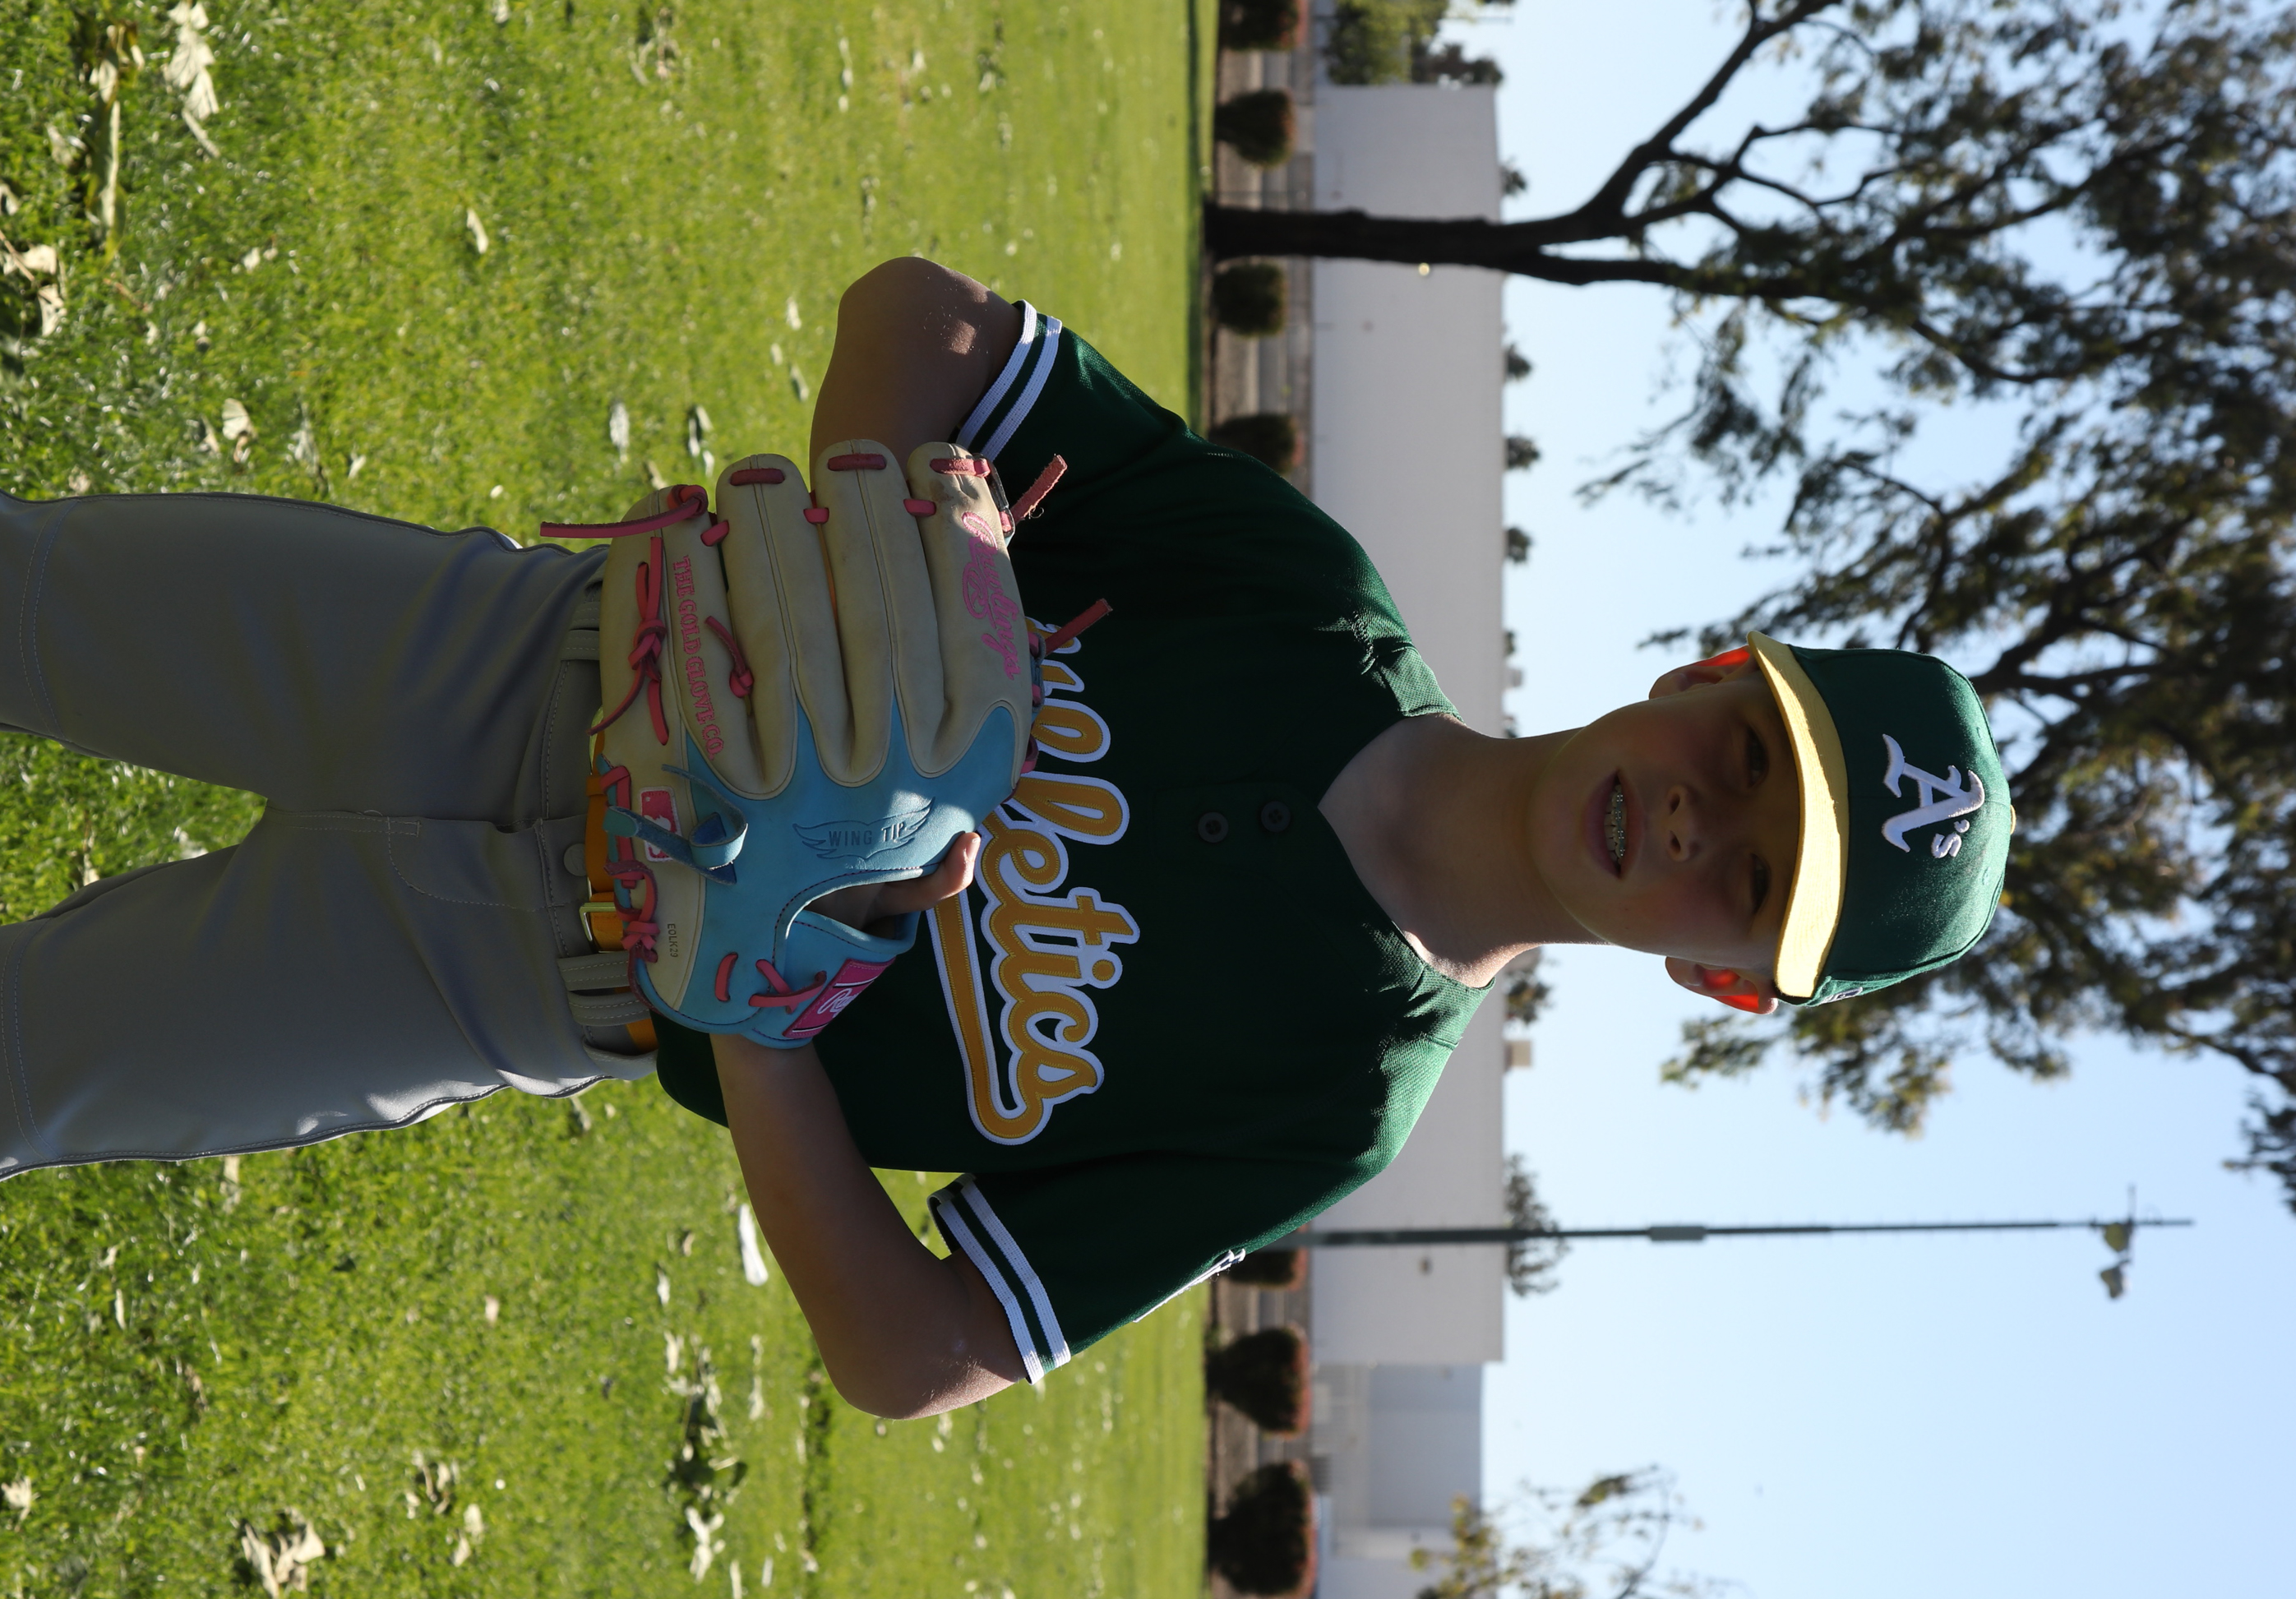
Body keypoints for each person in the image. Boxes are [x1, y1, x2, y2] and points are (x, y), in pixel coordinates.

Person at [0, 258, 2012, 1421]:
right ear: (1706, 670)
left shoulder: (1328, 1100)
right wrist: (889, 547)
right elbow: (929, 322)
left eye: (1753, 880)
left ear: (1722, 975)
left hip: (537, 968)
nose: (1701, 816)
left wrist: (756, 1010)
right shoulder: (1302, 604)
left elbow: (919, 1347)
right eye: (1749, 751)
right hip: (525, 654)